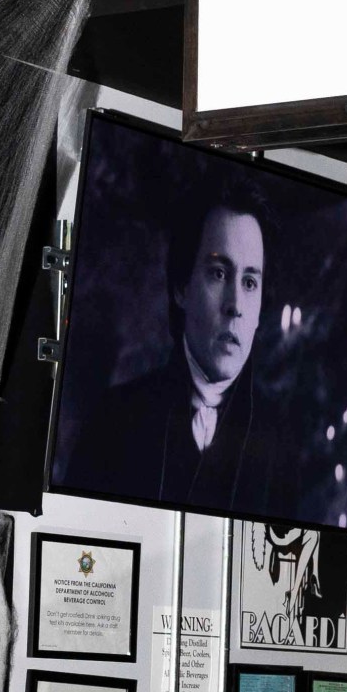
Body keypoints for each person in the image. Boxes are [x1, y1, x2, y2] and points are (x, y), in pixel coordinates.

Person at [63, 189, 269, 514]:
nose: (235, 306)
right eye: (218, 274)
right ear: (181, 288)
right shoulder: (114, 420)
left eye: (249, 283)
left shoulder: (277, 444)